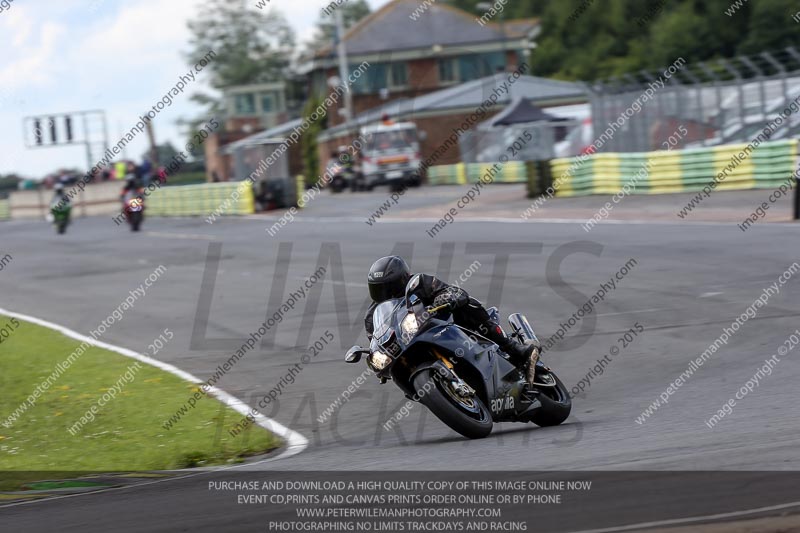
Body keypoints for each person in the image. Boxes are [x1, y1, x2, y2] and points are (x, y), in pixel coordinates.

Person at [364, 256, 540, 385]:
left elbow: (451, 291)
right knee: (396, 369)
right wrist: (378, 358)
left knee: (467, 304)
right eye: (379, 289)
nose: (386, 294)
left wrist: (446, 299)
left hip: (443, 325)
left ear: (403, 279)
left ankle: (514, 348)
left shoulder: (418, 284)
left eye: (390, 287)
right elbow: (376, 340)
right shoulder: (372, 317)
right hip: (409, 345)